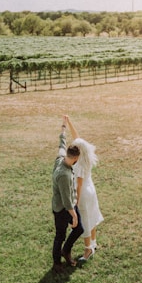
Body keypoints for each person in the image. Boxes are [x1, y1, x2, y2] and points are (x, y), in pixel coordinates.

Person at [65, 115, 104, 261]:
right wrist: (69, 122)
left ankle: (88, 250)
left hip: (83, 194)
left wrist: (76, 201)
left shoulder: (79, 164)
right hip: (91, 189)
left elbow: (79, 185)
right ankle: (93, 243)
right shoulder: (86, 156)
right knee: (92, 216)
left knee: (85, 221)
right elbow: (77, 137)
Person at [52, 116, 84, 274]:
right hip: (62, 208)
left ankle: (66, 250)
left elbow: (61, 143)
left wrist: (63, 128)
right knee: (60, 235)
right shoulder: (64, 174)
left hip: (70, 203)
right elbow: (66, 201)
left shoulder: (61, 158)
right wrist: (74, 216)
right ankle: (57, 262)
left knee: (79, 229)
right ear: (75, 158)